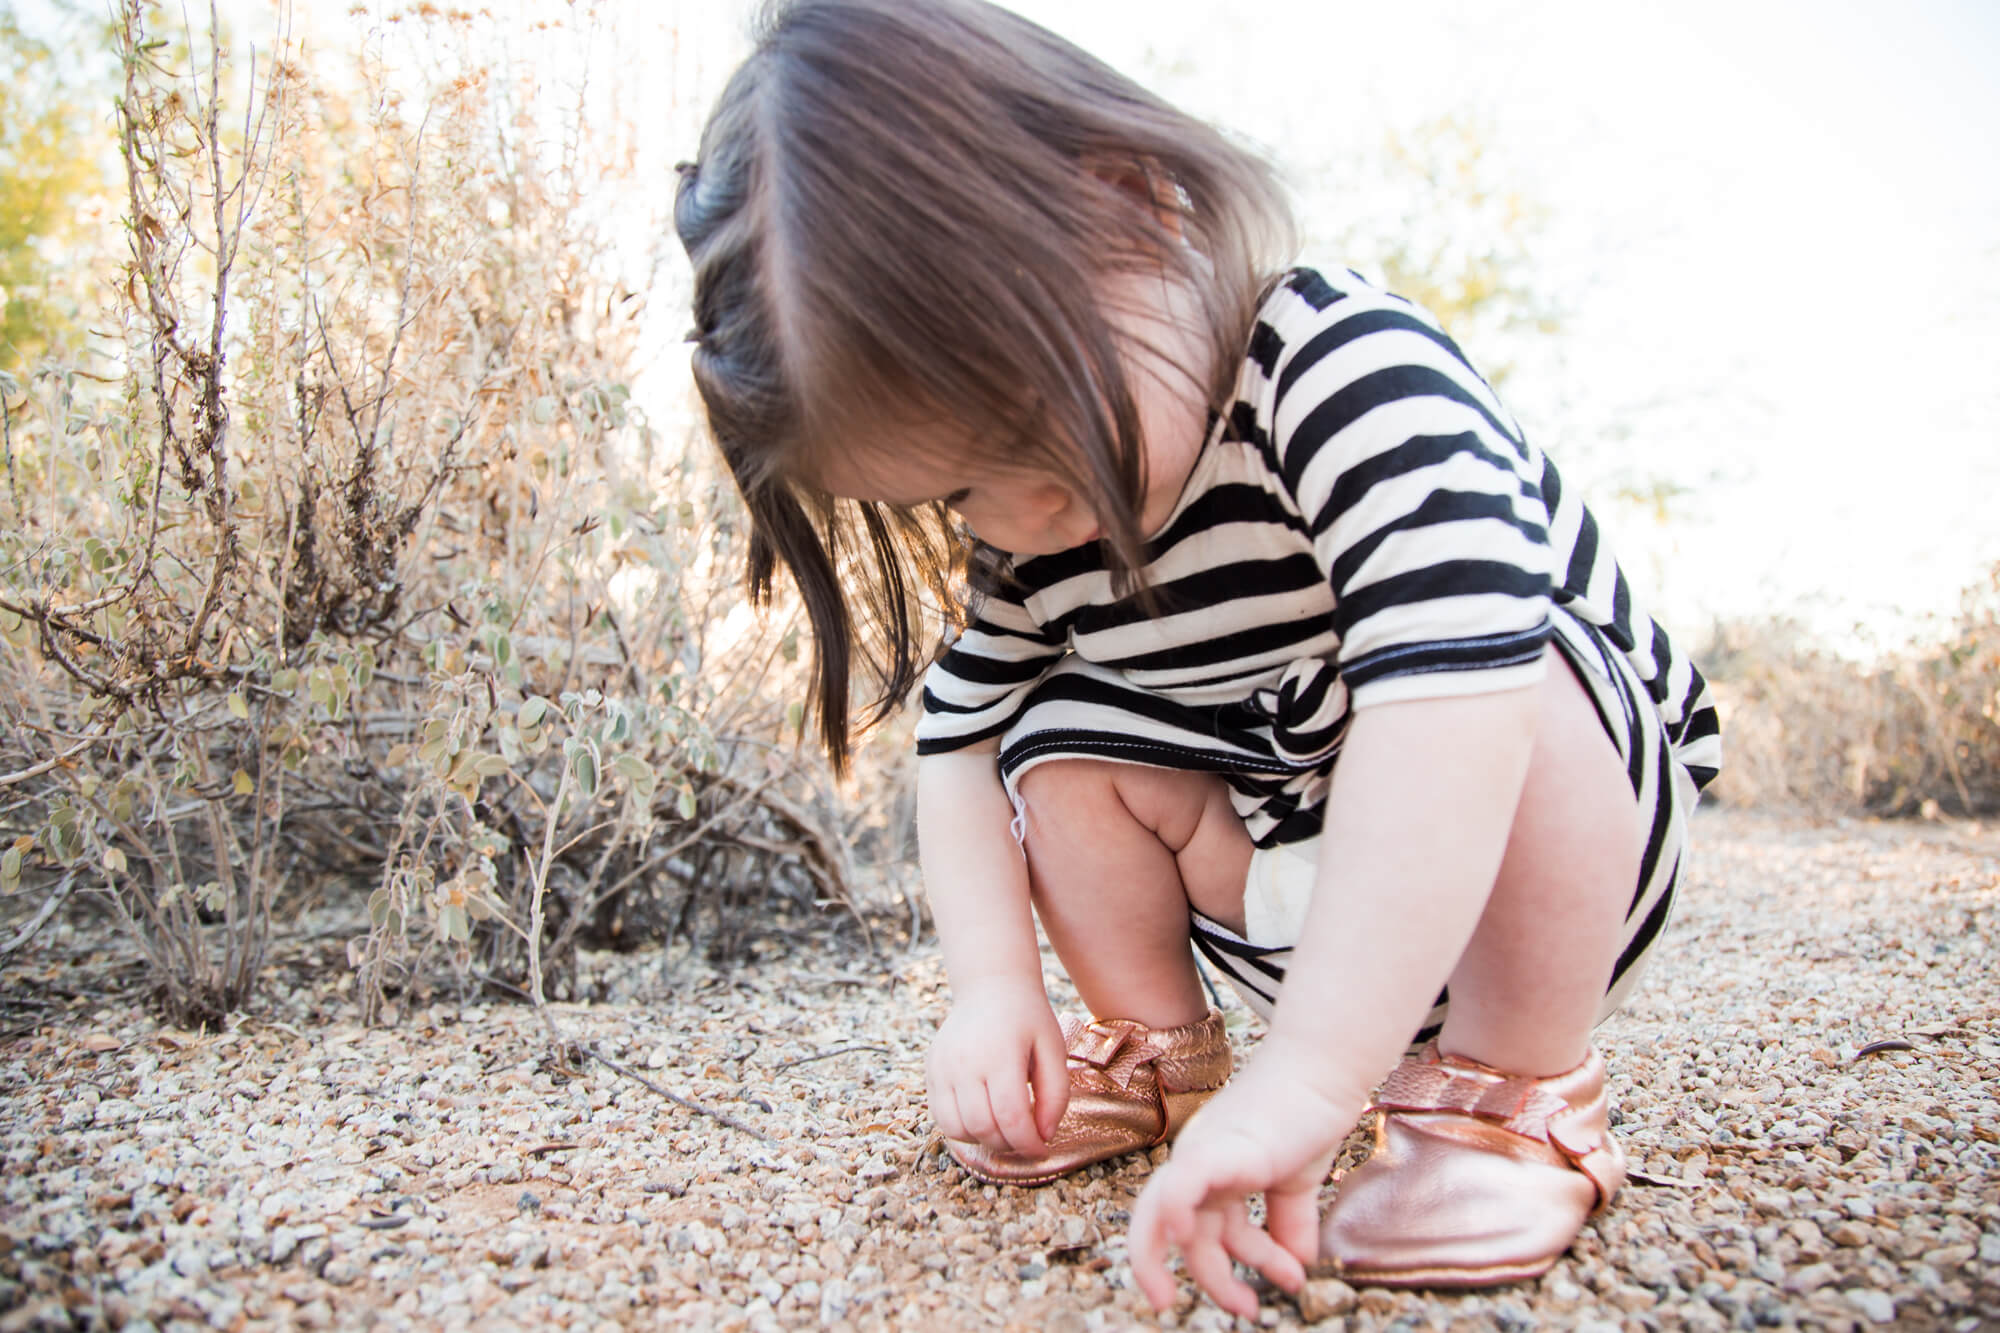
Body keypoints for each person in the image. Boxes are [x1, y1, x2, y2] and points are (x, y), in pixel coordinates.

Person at [675, 0, 1721, 1316]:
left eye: (1019, 443)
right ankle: (1163, 1057)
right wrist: (994, 993)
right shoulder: (1039, 530)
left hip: (1552, 858)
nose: (1017, 521)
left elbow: (1453, 693)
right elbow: (954, 748)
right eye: (952, 499)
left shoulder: (1337, 368)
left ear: (1127, 204)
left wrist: (1317, 1078)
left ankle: (1509, 1095)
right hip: (1307, 899)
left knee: (1513, 658)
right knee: (1051, 745)